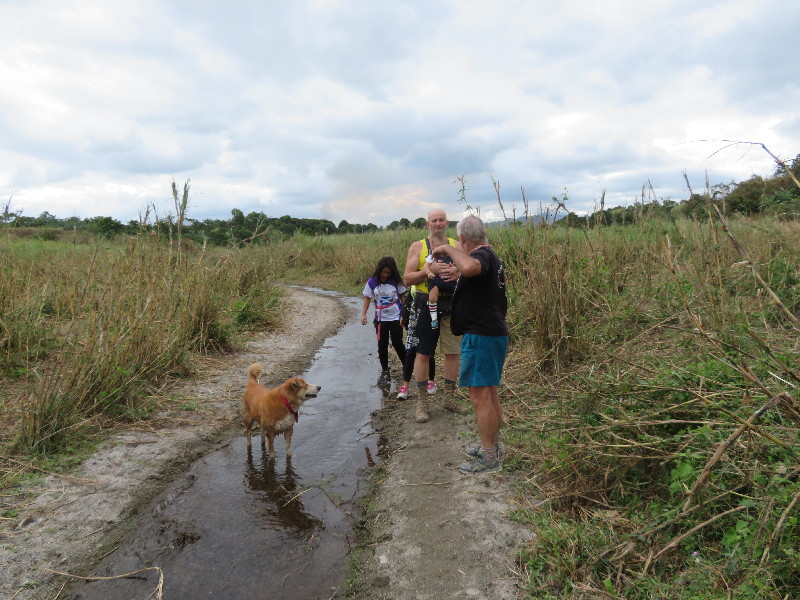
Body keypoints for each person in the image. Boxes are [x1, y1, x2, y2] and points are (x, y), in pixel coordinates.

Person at [431, 214, 508, 474]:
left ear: (462, 239)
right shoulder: (489, 256)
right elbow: (473, 275)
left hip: (482, 336)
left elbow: (472, 267)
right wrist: (457, 275)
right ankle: (493, 447)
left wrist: (447, 248)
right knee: (490, 393)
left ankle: (489, 457)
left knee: (479, 396)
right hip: (490, 333)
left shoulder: (481, 255)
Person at [403, 208, 467, 422]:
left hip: (452, 303)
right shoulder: (418, 246)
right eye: (434, 220)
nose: (438, 223)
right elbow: (407, 279)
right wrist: (429, 272)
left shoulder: (457, 245)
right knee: (423, 353)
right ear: (427, 224)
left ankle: (449, 399)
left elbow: (470, 271)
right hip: (425, 303)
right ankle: (422, 403)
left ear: (447, 223)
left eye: (441, 220)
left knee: (452, 352)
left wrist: (458, 273)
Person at [361, 256, 407, 380]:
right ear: (379, 270)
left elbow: (403, 298)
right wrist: (364, 314)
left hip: (396, 317)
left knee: (397, 343)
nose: (386, 275)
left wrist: (405, 314)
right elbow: (367, 298)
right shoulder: (372, 282)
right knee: (382, 344)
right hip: (380, 319)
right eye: (384, 272)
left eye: (388, 272)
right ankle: (385, 371)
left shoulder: (396, 282)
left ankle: (407, 367)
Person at [396, 288, 436, 401]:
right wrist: (404, 315)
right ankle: (405, 387)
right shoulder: (414, 285)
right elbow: (409, 298)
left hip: (429, 317)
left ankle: (431, 381)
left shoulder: (432, 281)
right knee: (410, 352)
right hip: (413, 319)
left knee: (427, 352)